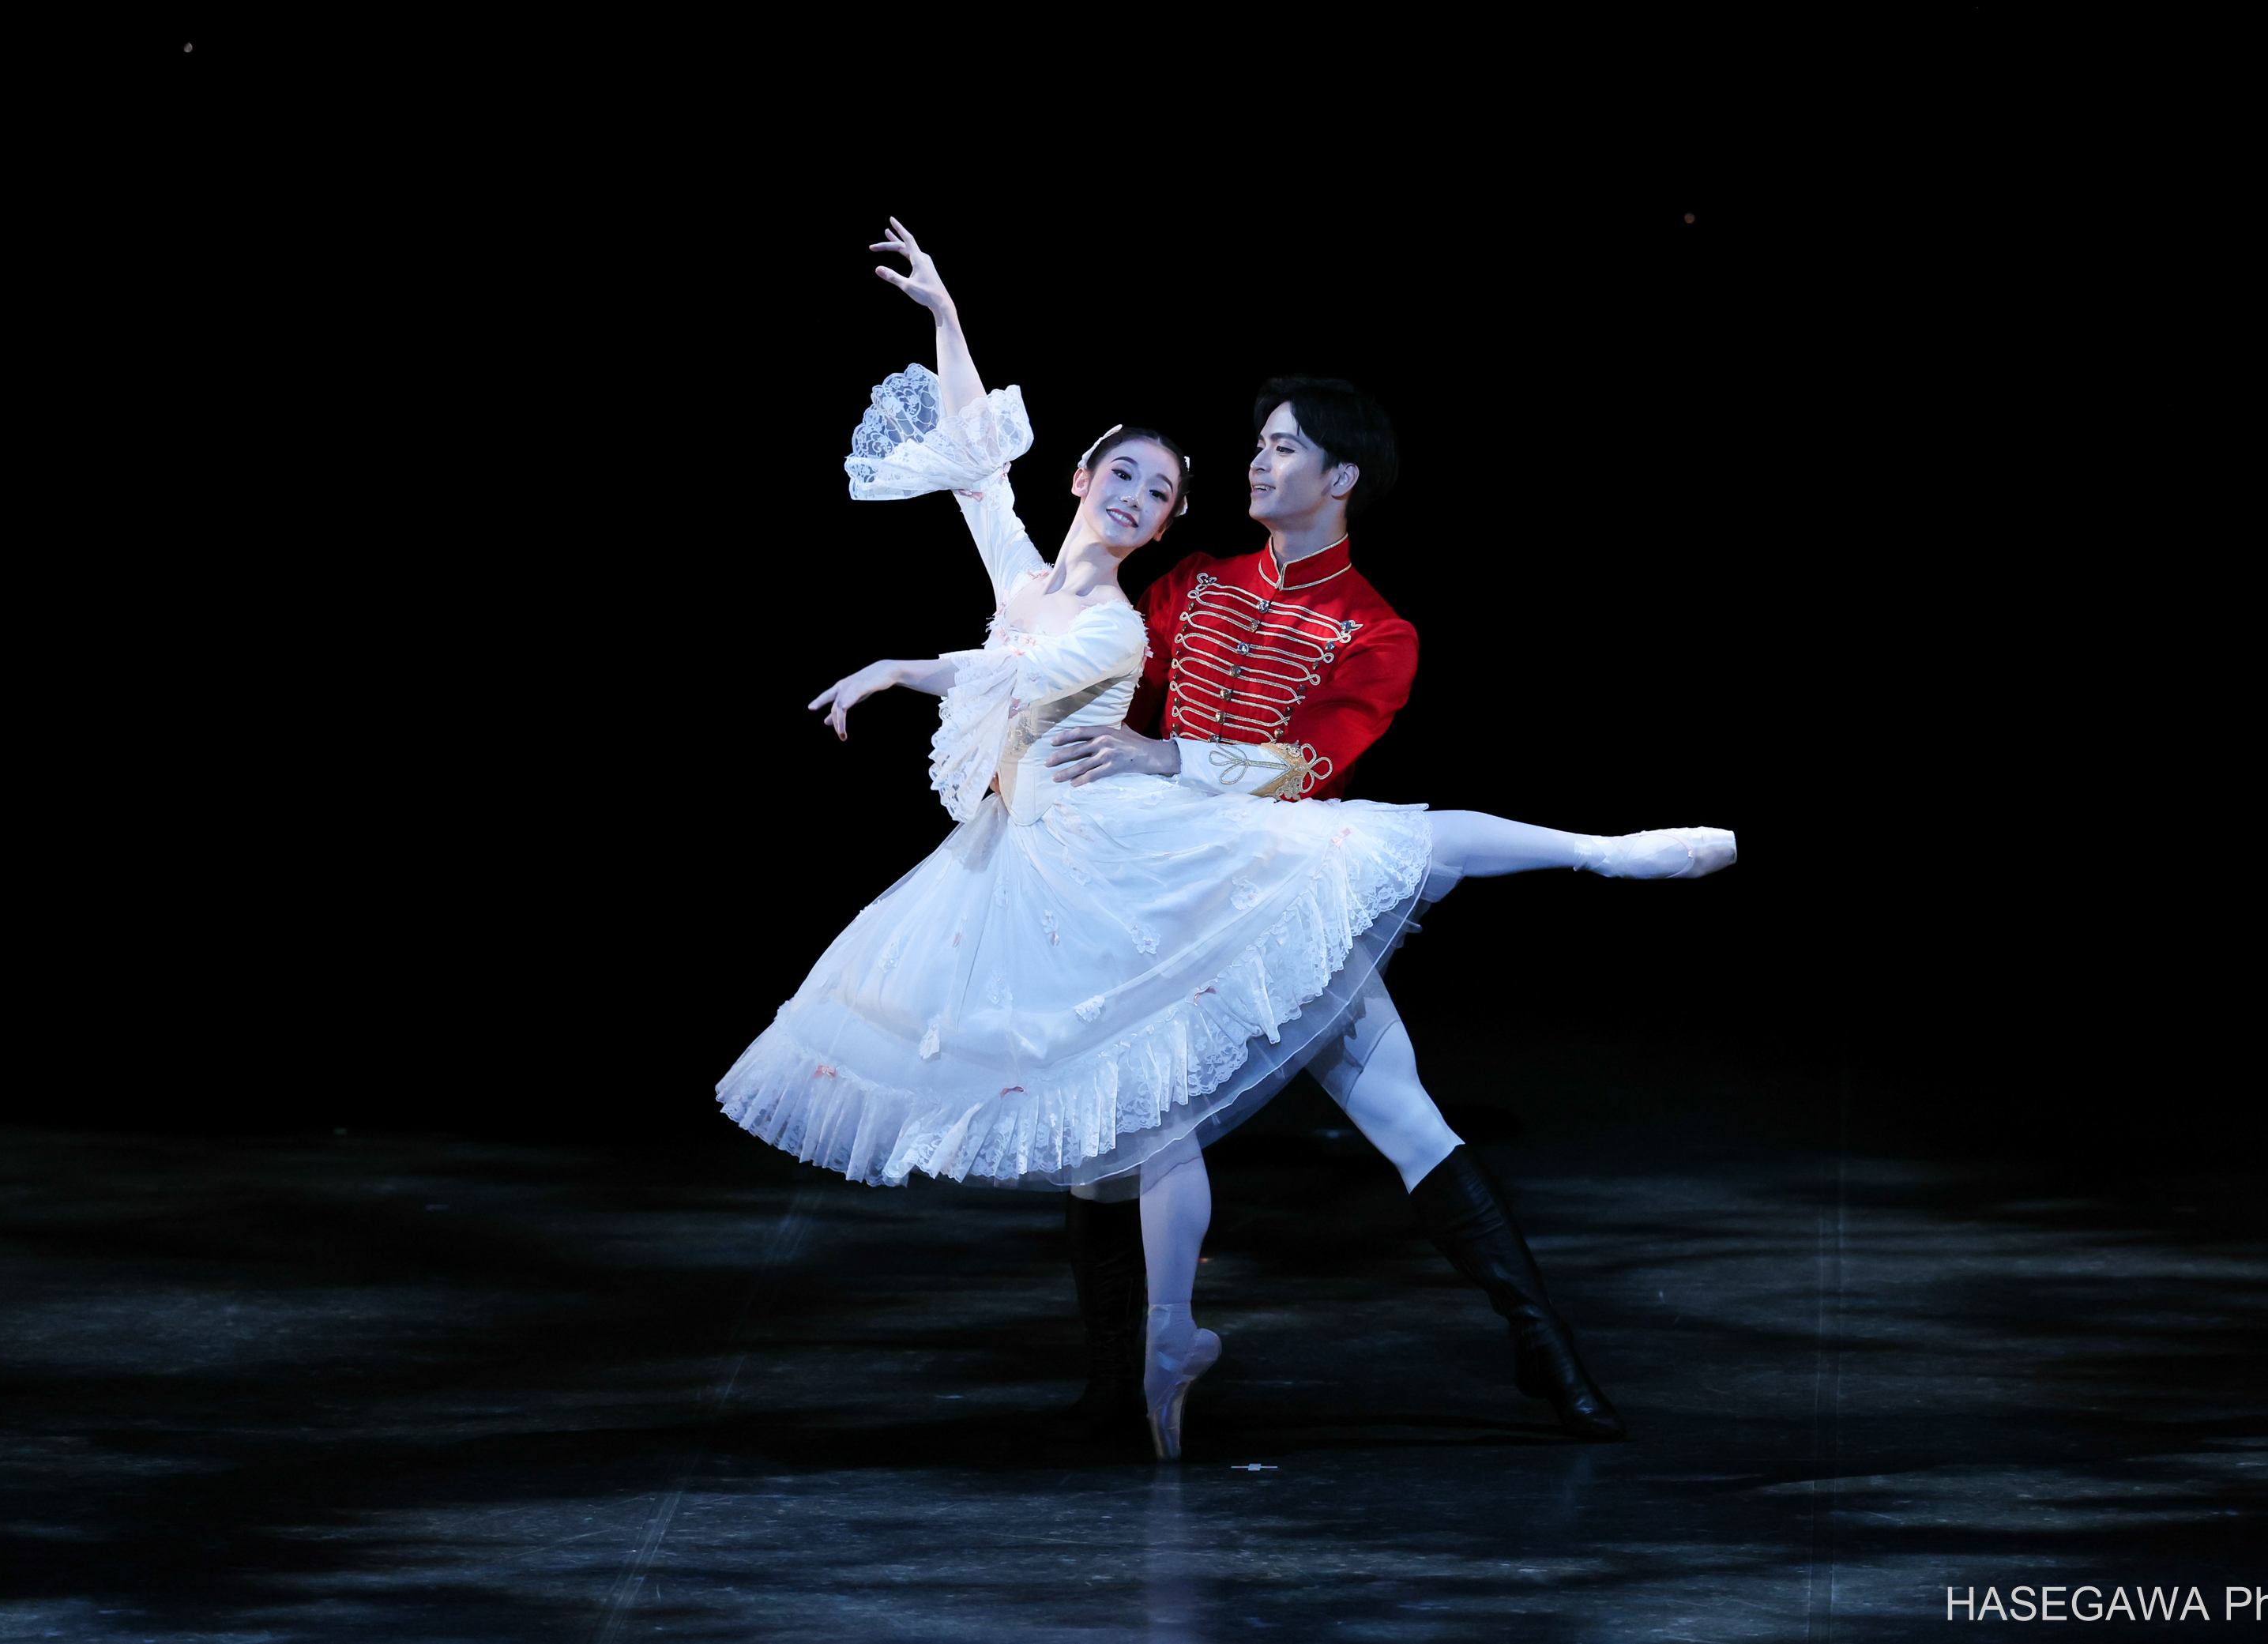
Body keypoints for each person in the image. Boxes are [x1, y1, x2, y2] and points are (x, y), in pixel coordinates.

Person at [717, 219, 1736, 1462]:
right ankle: (1122, 1382)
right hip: (1140, 876)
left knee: (1400, 1113)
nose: (1255, 461)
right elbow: (1050, 615)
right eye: (1250, 447)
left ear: (1340, 476)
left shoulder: (1375, 632)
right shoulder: (1188, 581)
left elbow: (1314, 763)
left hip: (1266, 888)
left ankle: (1547, 1349)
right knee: (1111, 1125)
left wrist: (1159, 756)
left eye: (1280, 447)